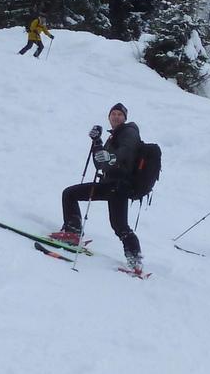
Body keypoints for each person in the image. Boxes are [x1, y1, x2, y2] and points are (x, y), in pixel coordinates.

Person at [48, 103, 145, 273]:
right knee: (70, 194)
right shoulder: (113, 136)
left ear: (125, 118)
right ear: (109, 117)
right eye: (113, 114)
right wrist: (97, 142)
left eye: (119, 114)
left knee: (119, 225)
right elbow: (100, 164)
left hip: (119, 186)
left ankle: (135, 261)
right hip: (108, 184)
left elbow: (126, 151)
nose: (116, 117)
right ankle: (72, 232)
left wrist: (112, 157)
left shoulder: (129, 132)